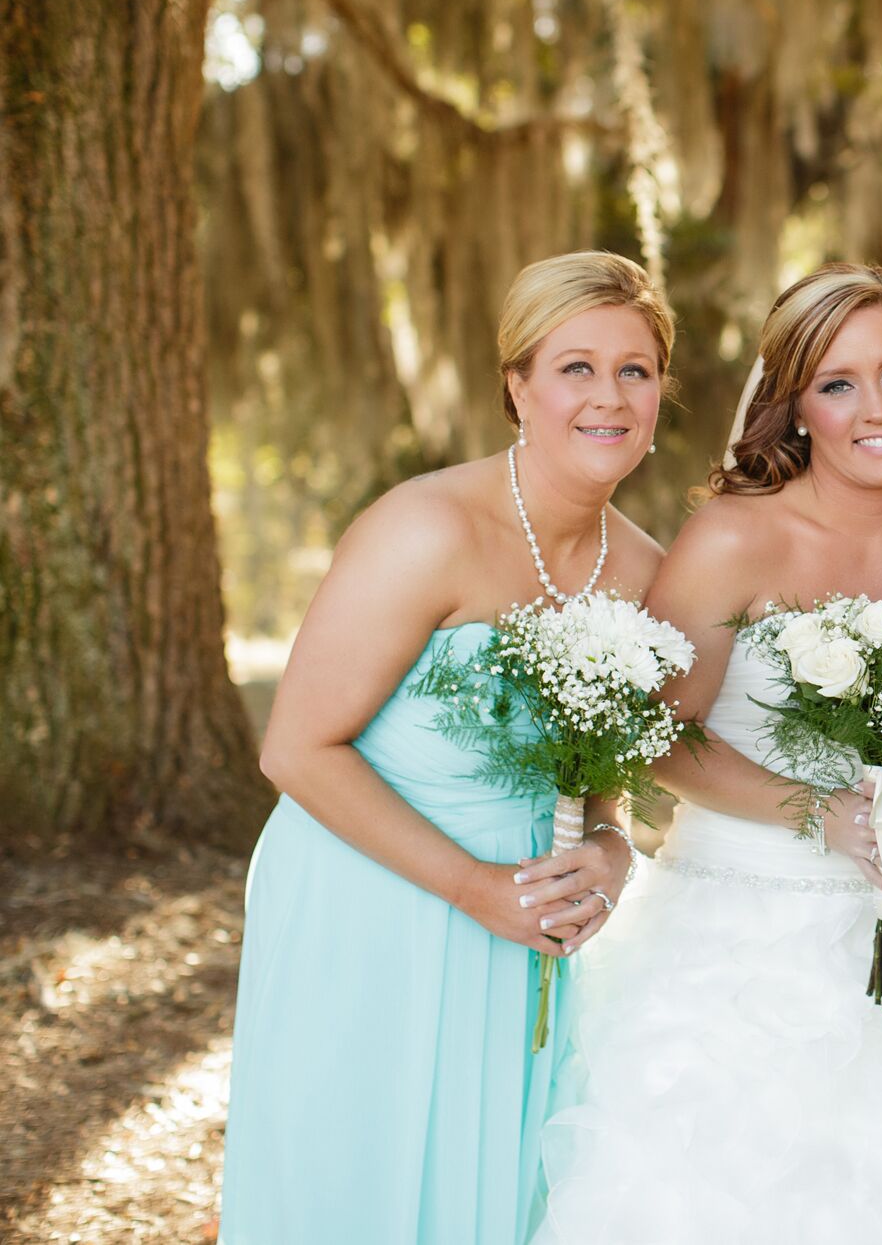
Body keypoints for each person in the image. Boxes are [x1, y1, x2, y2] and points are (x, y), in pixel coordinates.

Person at [533, 263, 882, 1244]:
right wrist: (814, 808)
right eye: (836, 384)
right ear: (793, 409)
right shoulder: (731, 540)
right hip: (733, 943)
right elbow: (659, 733)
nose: (875, 407)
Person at [221, 250, 673, 1243]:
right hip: (368, 898)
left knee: (500, 1193)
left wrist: (608, 849)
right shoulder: (424, 528)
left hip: (527, 925)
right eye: (575, 368)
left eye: (634, 370)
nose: (607, 397)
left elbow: (607, 782)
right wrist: (473, 886)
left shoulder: (643, 569)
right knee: (359, 1176)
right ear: (516, 385)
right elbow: (296, 748)